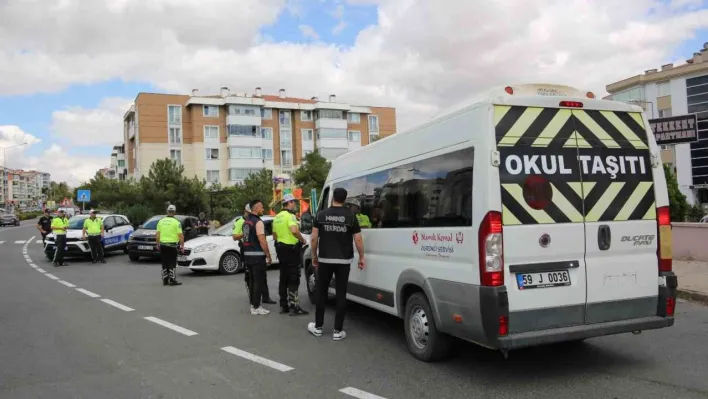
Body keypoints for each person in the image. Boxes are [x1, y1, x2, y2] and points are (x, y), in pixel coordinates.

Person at [308, 187, 365, 341]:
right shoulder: (351, 216)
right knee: (341, 294)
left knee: (321, 292)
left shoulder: (321, 215)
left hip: (325, 260)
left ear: (332, 197)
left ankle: (318, 327)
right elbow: (358, 239)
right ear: (345, 199)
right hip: (344, 261)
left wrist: (314, 256)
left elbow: (314, 239)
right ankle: (337, 331)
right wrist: (361, 257)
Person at [273, 194, 309, 316]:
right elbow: (294, 230)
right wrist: (302, 239)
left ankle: (284, 306)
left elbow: (274, 235)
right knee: (294, 278)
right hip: (291, 250)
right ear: (289, 203)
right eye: (294, 202)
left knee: (283, 278)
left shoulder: (277, 217)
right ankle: (294, 306)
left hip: (280, 250)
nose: (295, 205)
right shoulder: (290, 216)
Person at [232, 203, 276, 305]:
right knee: (251, 277)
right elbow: (234, 237)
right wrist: (247, 233)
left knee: (261, 275)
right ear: (246, 211)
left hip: (255, 250)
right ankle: (253, 299)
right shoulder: (241, 222)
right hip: (247, 249)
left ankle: (265, 297)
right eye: (248, 213)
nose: (249, 214)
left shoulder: (254, 221)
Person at [242, 199, 273, 315]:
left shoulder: (246, 222)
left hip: (247, 256)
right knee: (258, 282)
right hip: (257, 256)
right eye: (261, 207)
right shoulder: (258, 222)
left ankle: (253, 305)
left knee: (252, 281)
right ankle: (256, 307)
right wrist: (268, 255)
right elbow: (262, 240)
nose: (263, 209)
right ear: (256, 208)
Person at [155, 204, 184, 286]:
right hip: (172, 246)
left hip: (163, 245)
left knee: (164, 262)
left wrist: (157, 244)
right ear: (174, 212)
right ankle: (172, 280)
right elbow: (180, 236)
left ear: (167, 211)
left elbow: (157, 234)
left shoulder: (161, 221)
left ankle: (165, 280)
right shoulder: (176, 222)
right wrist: (182, 246)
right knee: (172, 263)